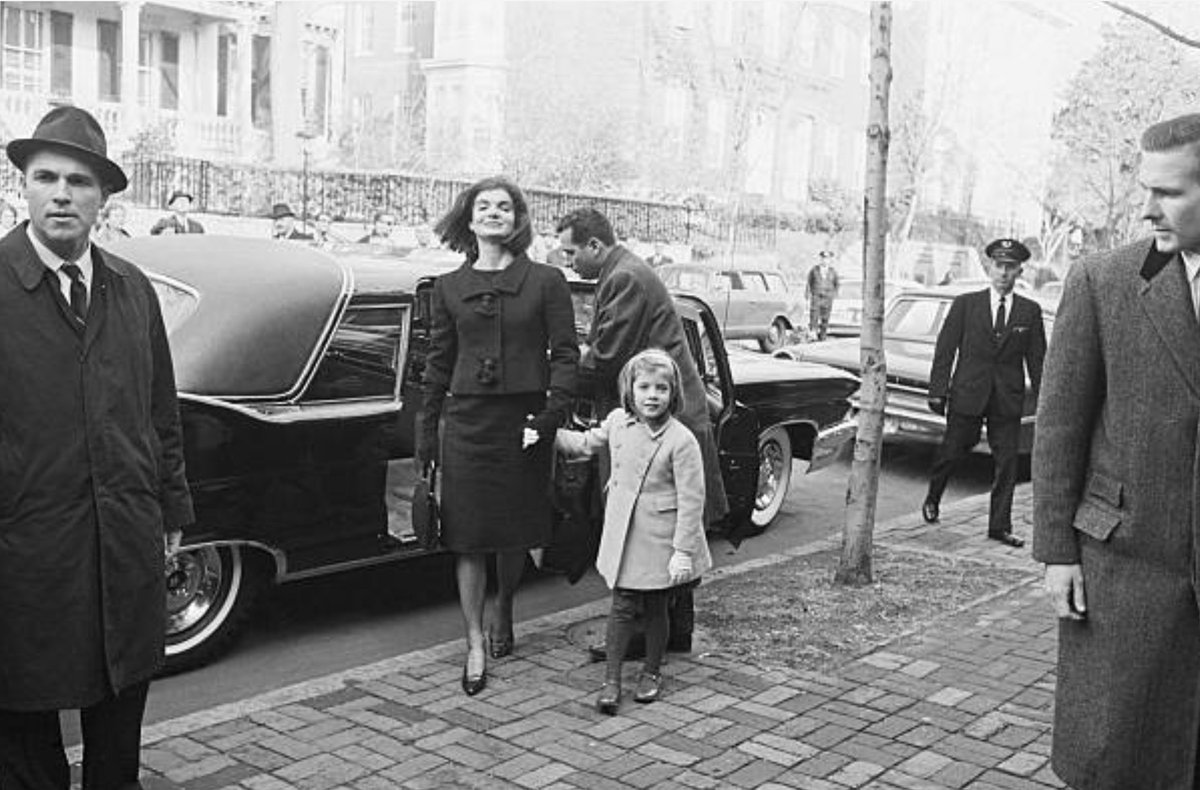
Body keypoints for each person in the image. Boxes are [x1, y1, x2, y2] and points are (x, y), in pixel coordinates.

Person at [0, 106, 193, 790]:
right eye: (45, 176)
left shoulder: (129, 288)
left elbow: (158, 410)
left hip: (123, 540)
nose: (61, 193)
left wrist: (171, 511)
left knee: (119, 713)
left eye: (79, 181)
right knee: (23, 732)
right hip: (26, 549)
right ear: (21, 185)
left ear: (103, 197)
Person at [1033, 113, 1200, 789]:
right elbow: (1059, 426)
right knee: (1120, 759)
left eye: (1169, 192)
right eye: (1145, 187)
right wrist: (1056, 553)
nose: (1146, 206)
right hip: (1123, 570)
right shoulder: (1103, 282)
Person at [416, 176, 578, 696]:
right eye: (483, 206)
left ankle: (506, 606)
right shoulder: (446, 288)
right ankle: (474, 642)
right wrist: (426, 434)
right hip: (466, 426)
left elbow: (567, 356)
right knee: (466, 537)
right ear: (469, 219)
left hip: (523, 425)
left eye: (503, 207)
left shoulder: (547, 281)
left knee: (513, 534)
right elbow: (437, 365)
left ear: (517, 219)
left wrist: (549, 419)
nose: (493, 213)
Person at [555, 206, 728, 661]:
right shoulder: (625, 271)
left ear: (595, 245)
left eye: (572, 251)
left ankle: (642, 634)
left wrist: (555, 366)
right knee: (672, 526)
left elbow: (608, 355)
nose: (569, 261)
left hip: (667, 423)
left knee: (649, 527)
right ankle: (675, 630)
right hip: (670, 414)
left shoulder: (624, 277)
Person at [555, 350, 711, 714]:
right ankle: (612, 680)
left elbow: (692, 500)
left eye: (661, 388)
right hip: (624, 534)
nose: (652, 395)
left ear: (673, 394)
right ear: (630, 389)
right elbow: (586, 443)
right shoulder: (618, 423)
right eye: (644, 387)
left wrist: (682, 551)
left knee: (657, 607)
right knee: (622, 606)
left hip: (660, 538)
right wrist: (549, 433)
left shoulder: (681, 440)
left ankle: (652, 672)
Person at [921, 238, 1046, 547]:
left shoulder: (1029, 311)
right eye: (999, 266)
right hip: (968, 393)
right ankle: (933, 496)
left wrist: (1045, 401)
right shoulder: (966, 304)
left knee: (1007, 463)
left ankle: (999, 526)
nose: (1004, 273)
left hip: (1007, 399)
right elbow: (945, 349)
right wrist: (938, 390)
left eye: (1010, 267)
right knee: (952, 452)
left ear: (1020, 271)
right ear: (989, 267)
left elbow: (1038, 360)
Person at [806, 250, 840, 340]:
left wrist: (834, 295)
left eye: (827, 259)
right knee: (814, 315)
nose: (824, 261)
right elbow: (809, 283)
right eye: (823, 258)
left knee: (825, 317)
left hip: (828, 297)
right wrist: (808, 294)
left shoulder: (833, 272)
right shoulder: (814, 270)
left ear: (829, 260)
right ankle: (813, 334)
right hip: (816, 296)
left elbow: (836, 284)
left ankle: (823, 335)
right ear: (820, 259)